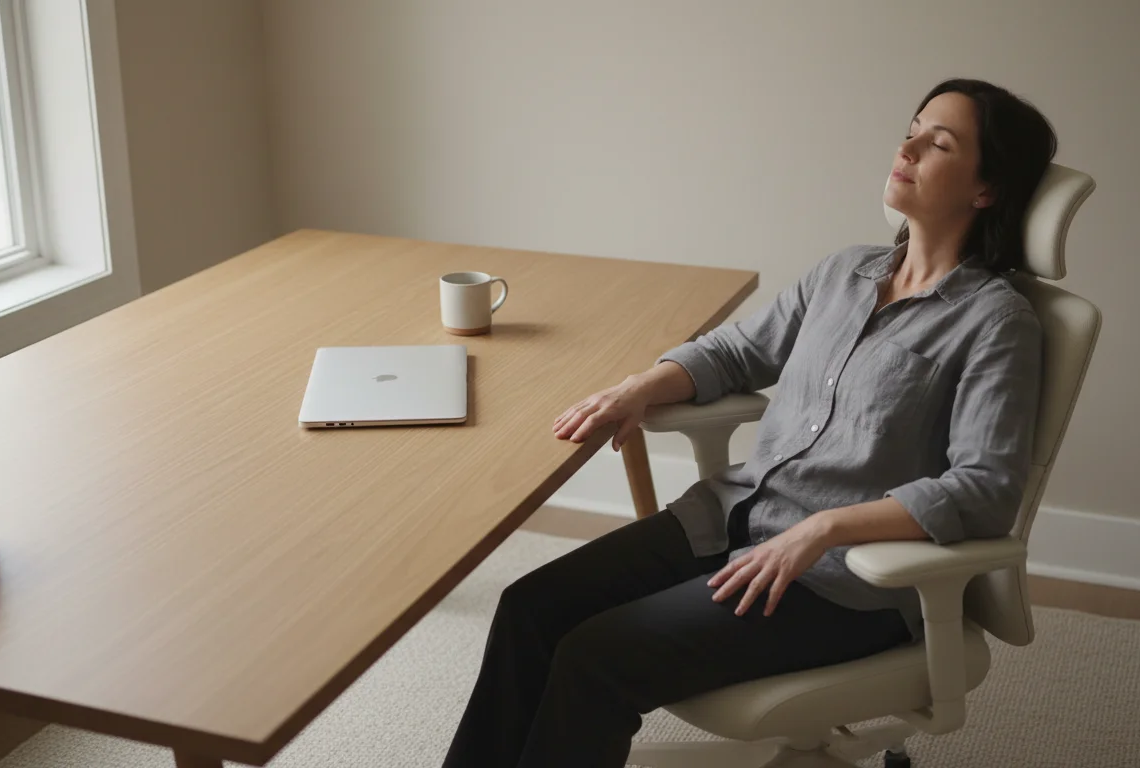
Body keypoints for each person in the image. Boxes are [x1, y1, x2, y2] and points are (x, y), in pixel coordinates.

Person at [442, 77, 1056, 768]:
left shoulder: (996, 321)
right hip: (730, 515)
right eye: (912, 127)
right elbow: (740, 350)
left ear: (985, 191)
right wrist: (640, 388)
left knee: (595, 658)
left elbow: (985, 486)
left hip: (843, 582)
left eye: (938, 142)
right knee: (531, 608)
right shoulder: (844, 273)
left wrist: (824, 526)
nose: (907, 145)